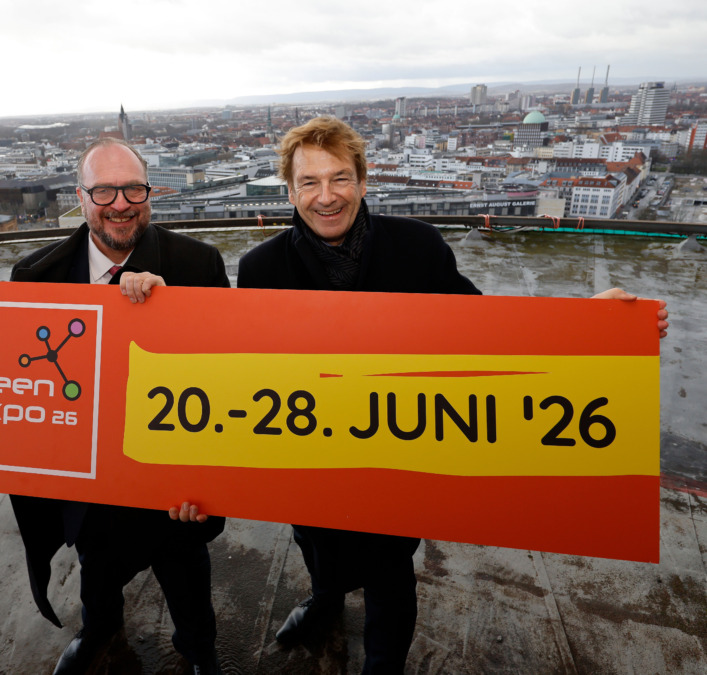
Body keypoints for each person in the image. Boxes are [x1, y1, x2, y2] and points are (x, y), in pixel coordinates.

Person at [236, 116, 669, 674]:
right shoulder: (261, 269)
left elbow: (484, 332)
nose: (326, 196)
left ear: (363, 182)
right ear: (290, 191)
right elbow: (244, 370)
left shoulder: (416, 246)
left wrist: (588, 324)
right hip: (313, 457)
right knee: (316, 545)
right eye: (309, 182)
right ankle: (325, 601)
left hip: (399, 455)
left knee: (391, 574)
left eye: (339, 178)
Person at [0, 137, 228, 675]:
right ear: (80, 197)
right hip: (90, 488)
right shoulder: (34, 276)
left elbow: (226, 375)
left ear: (149, 192)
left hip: (170, 483)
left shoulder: (197, 264)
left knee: (188, 582)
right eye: (103, 191)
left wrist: (173, 308)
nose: (120, 204)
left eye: (133, 189)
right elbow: (13, 385)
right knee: (97, 573)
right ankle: (99, 632)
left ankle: (199, 652)